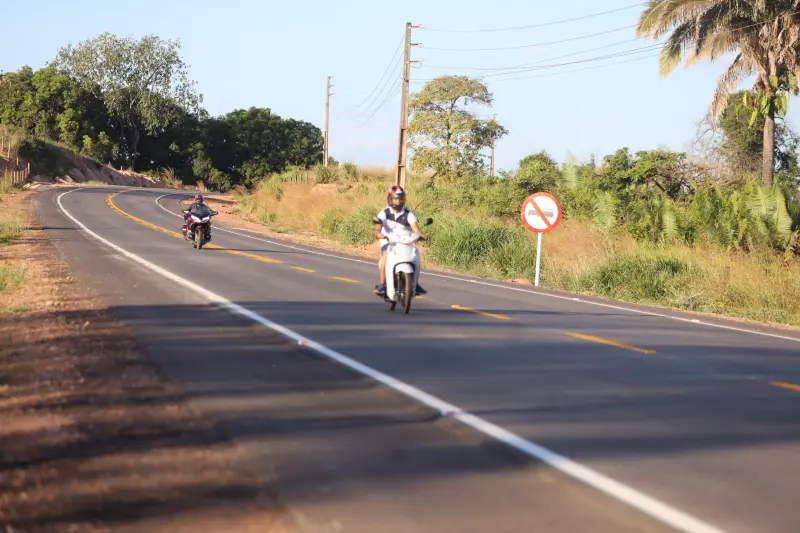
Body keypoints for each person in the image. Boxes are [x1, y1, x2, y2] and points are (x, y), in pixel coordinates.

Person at [373, 185, 428, 297]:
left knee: (415, 256)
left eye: (400, 199)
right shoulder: (384, 213)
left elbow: (415, 229)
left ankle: (415, 283)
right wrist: (379, 233)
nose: (398, 201)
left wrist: (422, 235)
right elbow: (378, 227)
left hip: (405, 242)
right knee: (385, 255)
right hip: (388, 241)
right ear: (390, 199)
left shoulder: (408, 214)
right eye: (395, 199)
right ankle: (382, 284)